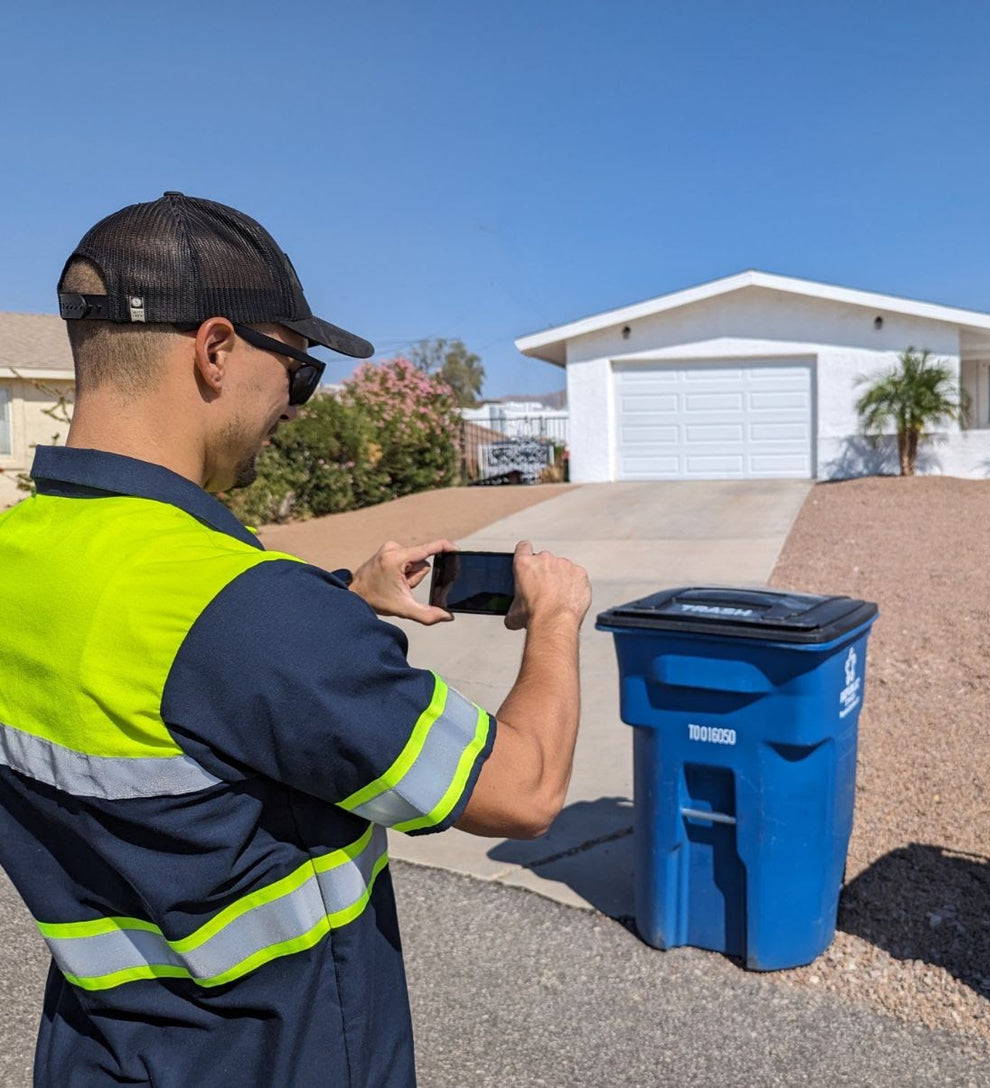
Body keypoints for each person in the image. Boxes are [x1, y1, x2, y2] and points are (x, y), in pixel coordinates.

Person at [0, 192, 591, 1087]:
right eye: (300, 369)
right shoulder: (252, 616)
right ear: (215, 349)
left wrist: (348, 595)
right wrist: (553, 620)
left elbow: (157, 672)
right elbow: (525, 791)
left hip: (98, 1053)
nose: (297, 402)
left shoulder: (23, 559)